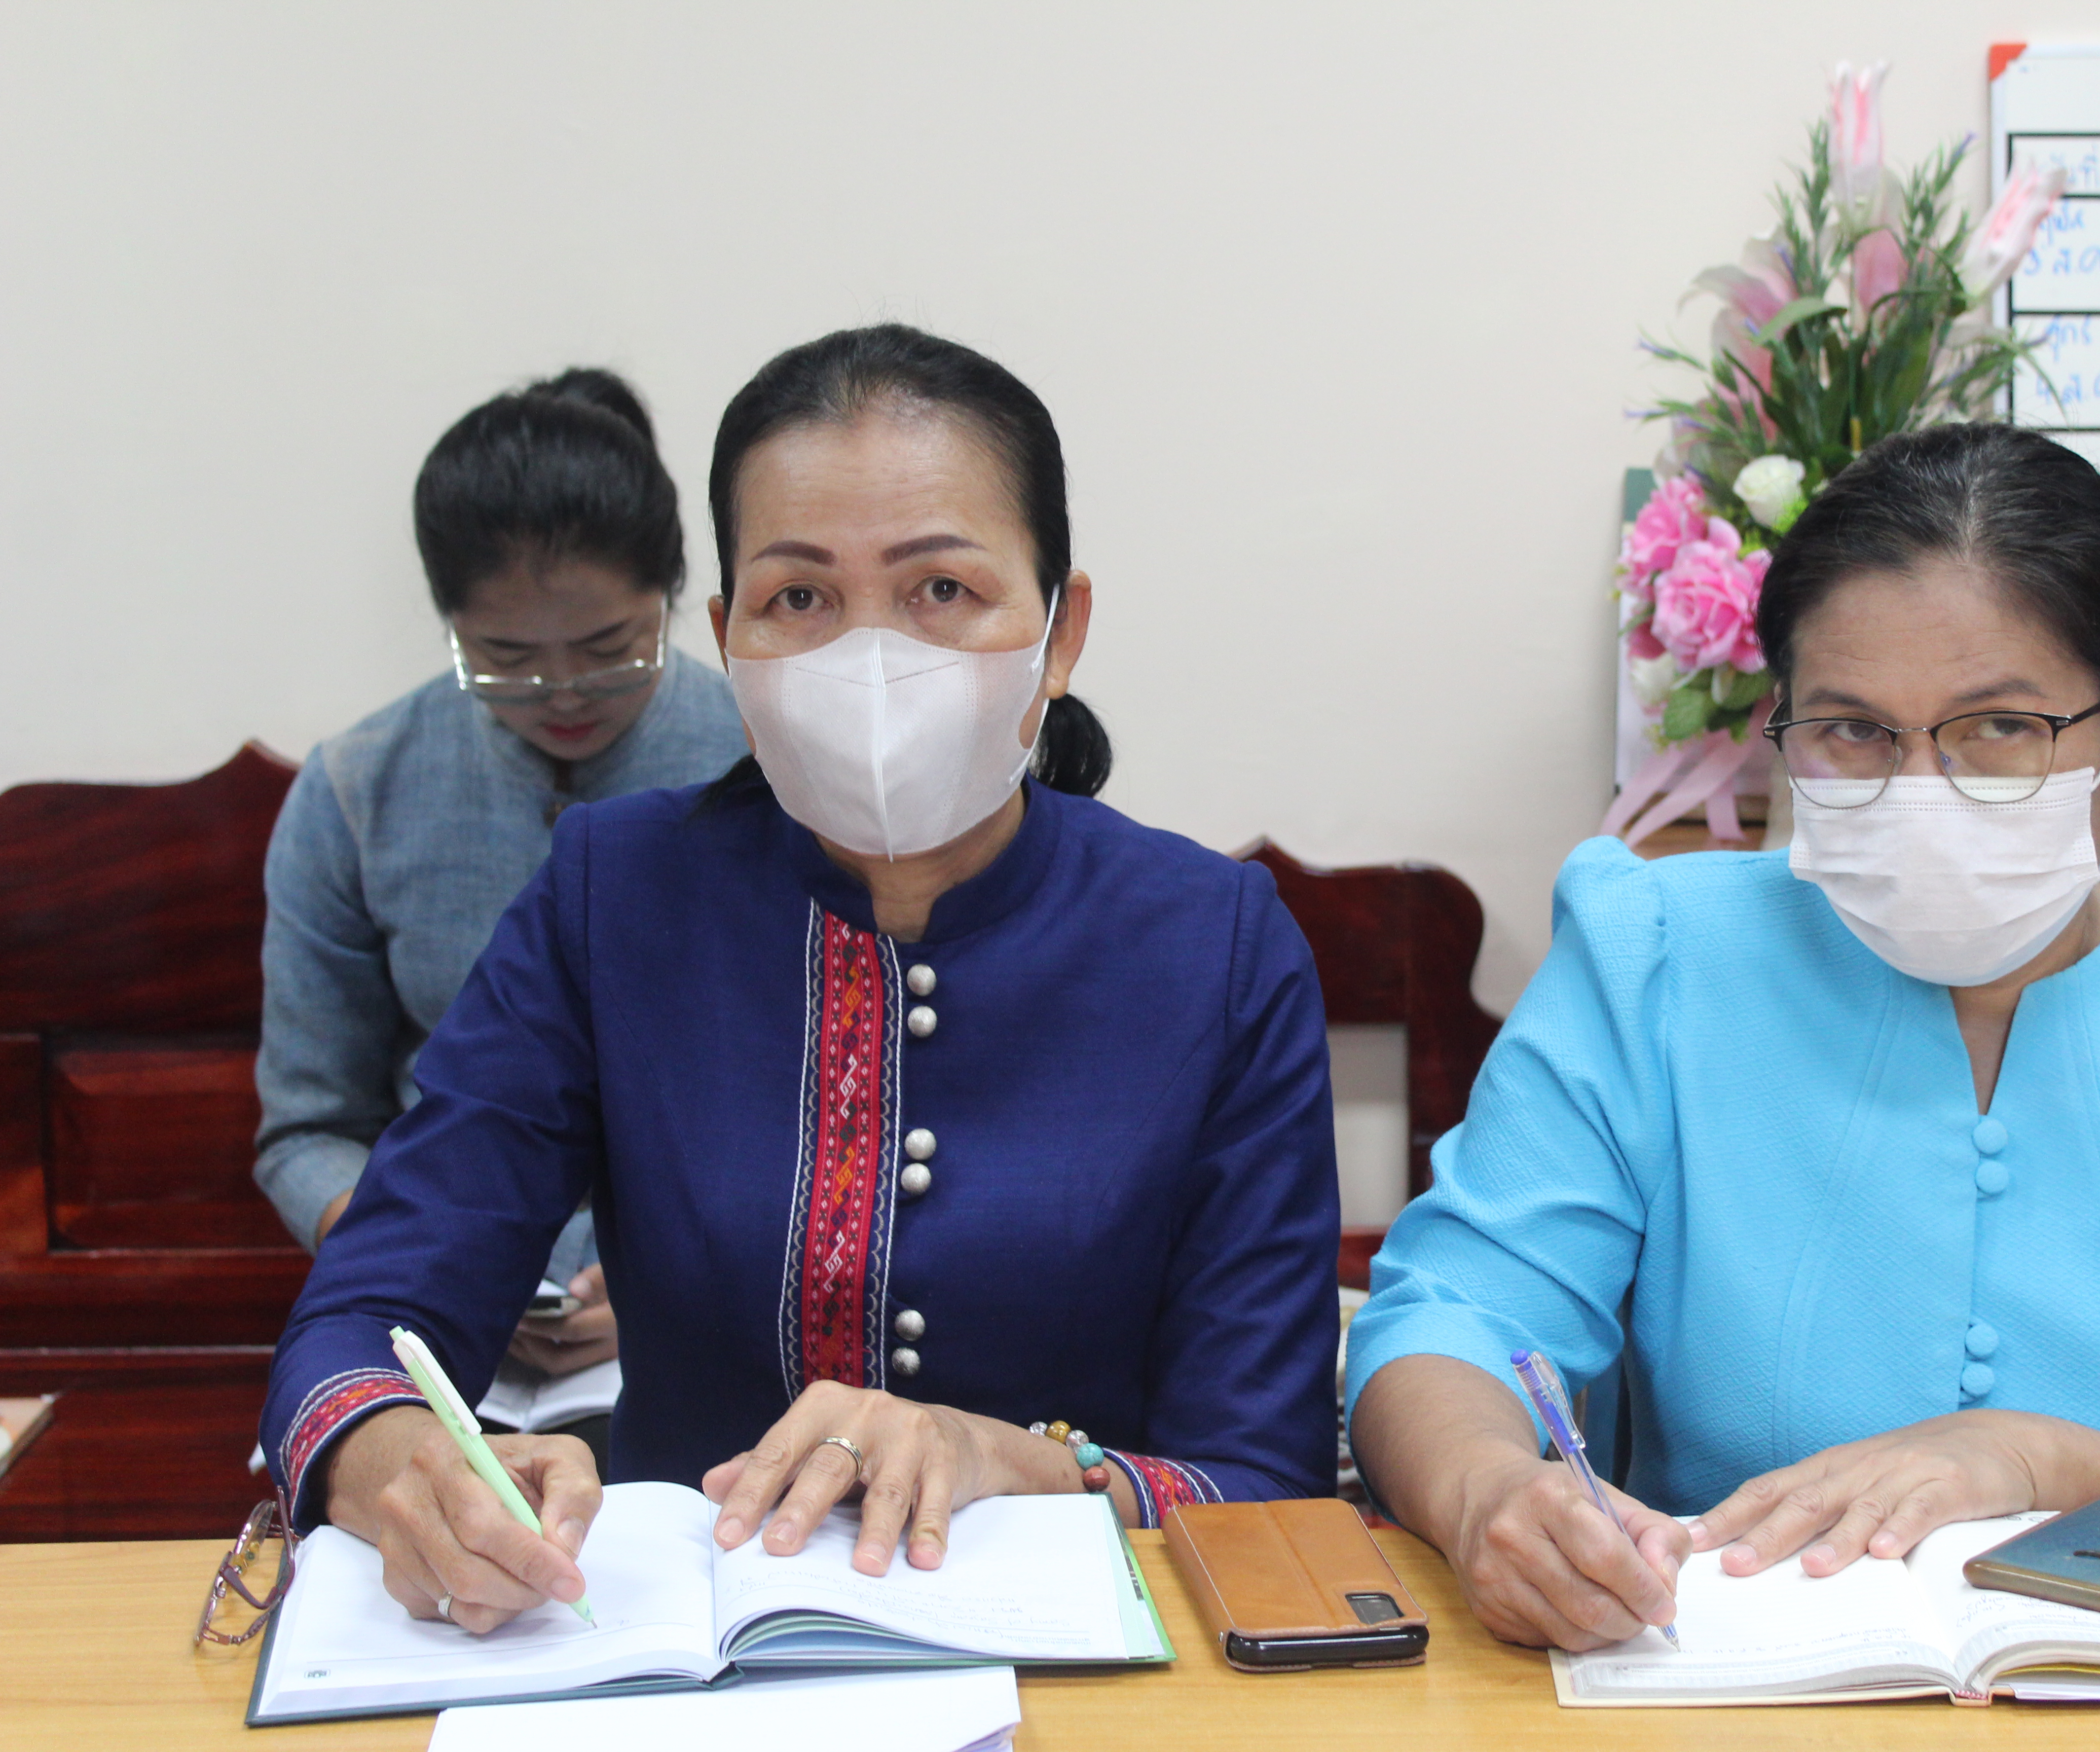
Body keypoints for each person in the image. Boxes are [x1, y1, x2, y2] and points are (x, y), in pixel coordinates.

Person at [259, 324, 1341, 1634]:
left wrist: (1026, 1464)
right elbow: (370, 1311)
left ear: (1062, 634)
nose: (868, 654)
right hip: (668, 1663)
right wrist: (407, 1472)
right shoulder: (616, 897)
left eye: (942, 589)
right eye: (800, 599)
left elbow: (1261, 1476)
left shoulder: (1215, 946)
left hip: (1084, 1665)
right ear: (729, 639)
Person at [1347, 423, 2100, 1653]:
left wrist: (2045, 1463)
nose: (1919, 792)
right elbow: (1450, 1318)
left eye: (1998, 729)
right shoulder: (1653, 960)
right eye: (1854, 731)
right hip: (1734, 1708)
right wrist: (1487, 1498)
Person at [254, 369, 749, 1424]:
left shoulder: (771, 768)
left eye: (613, 652)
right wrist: (438, 1264)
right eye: (508, 661)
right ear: (448, 623)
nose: (564, 695)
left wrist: (682, 1269)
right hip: (438, 1335)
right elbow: (308, 1130)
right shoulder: (359, 789)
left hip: (727, 1321)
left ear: (676, 603)